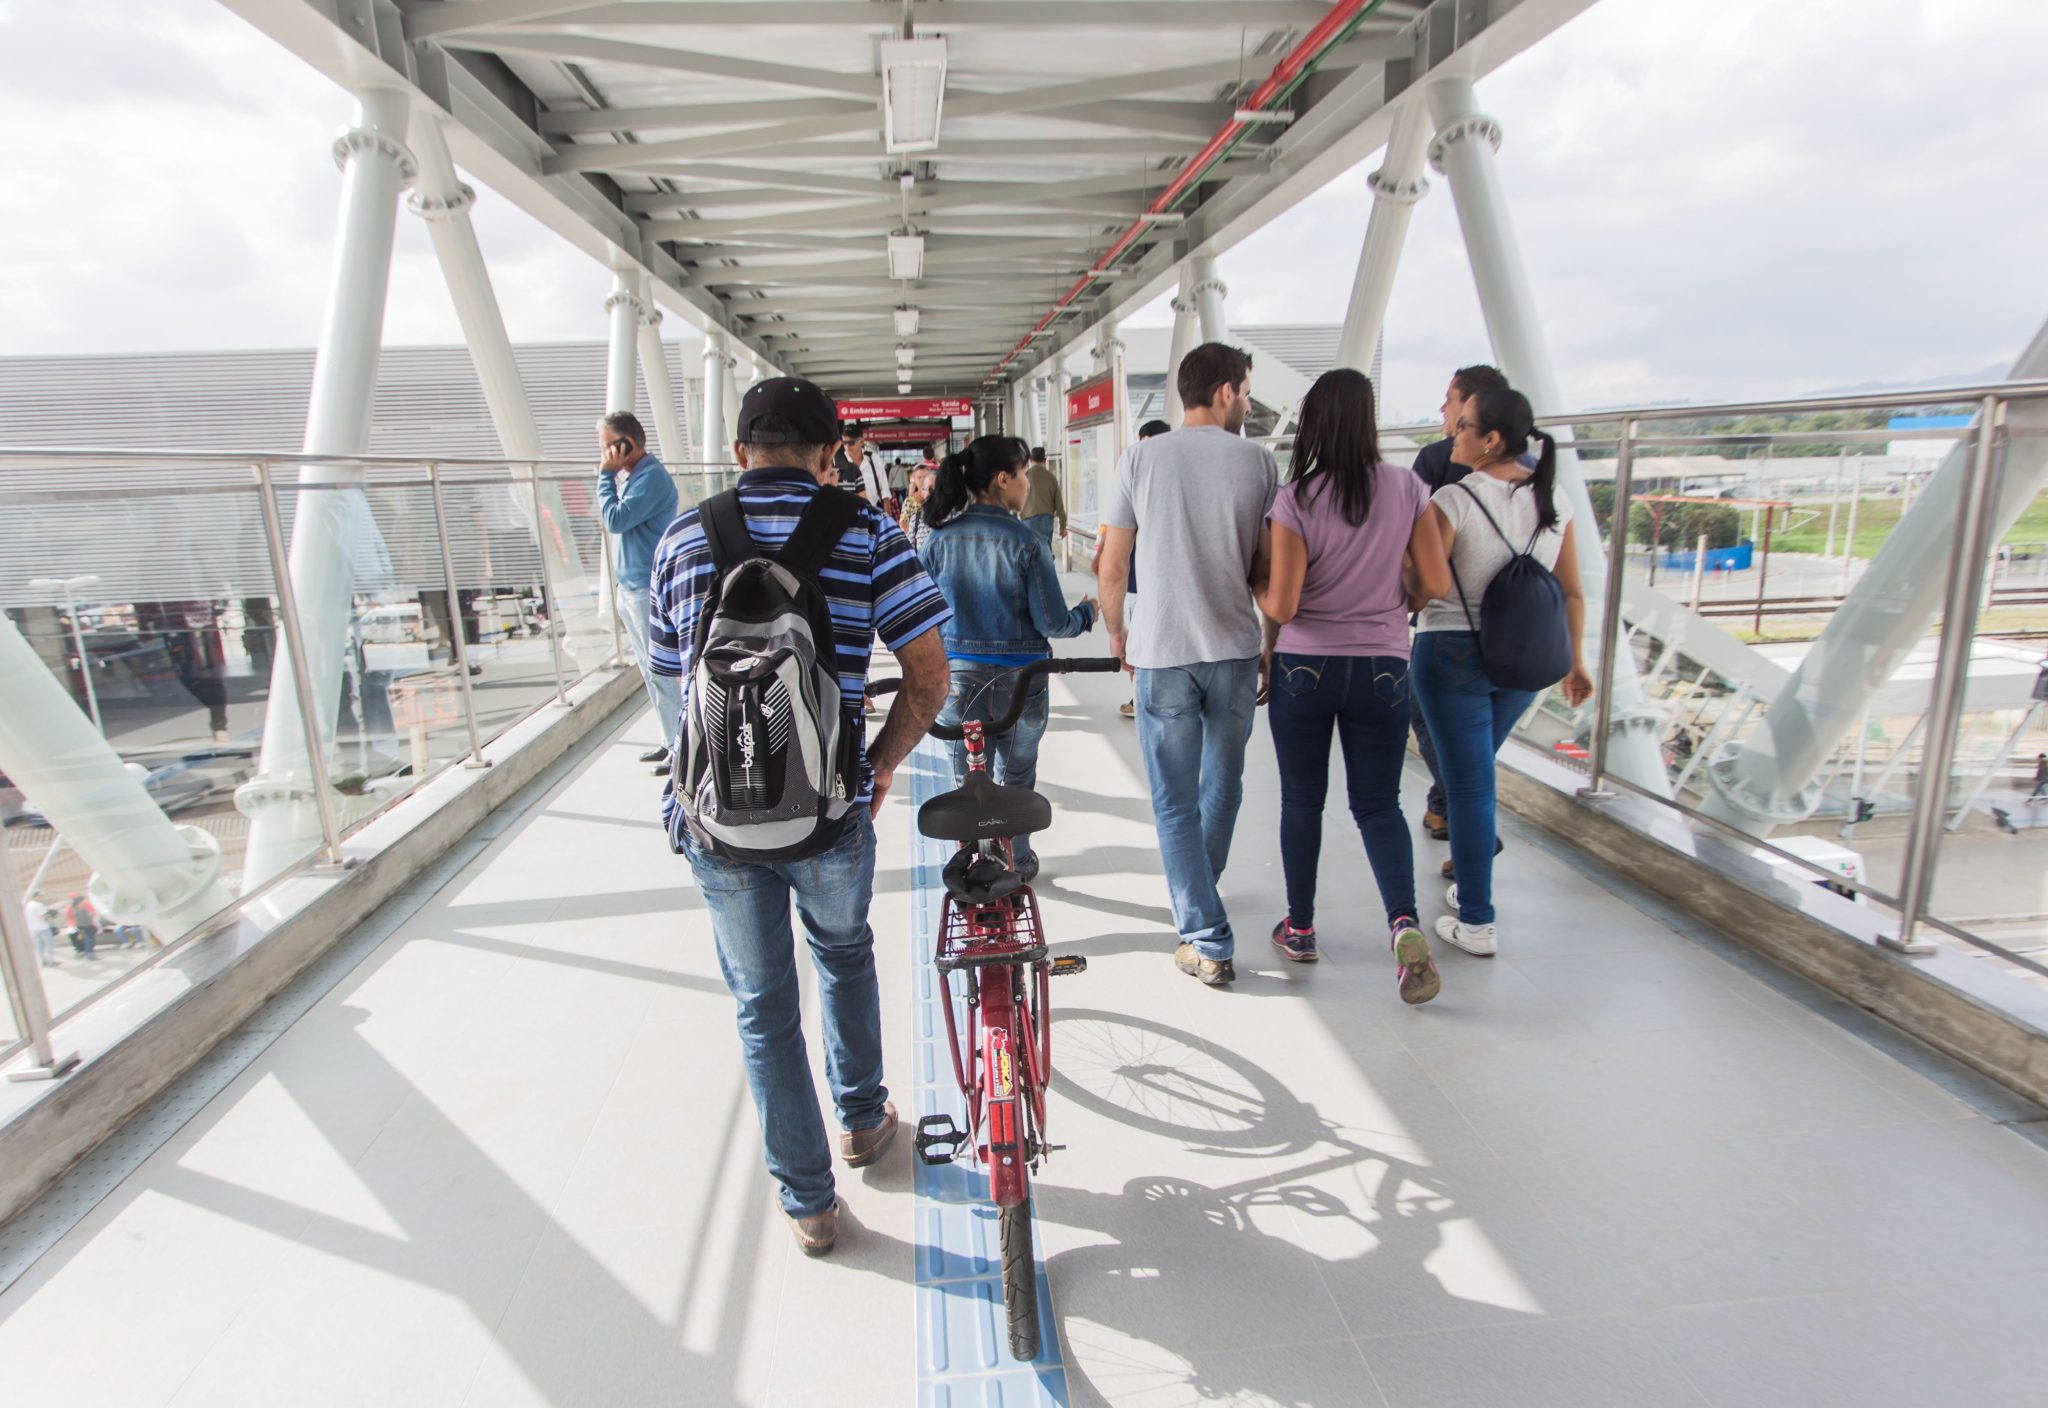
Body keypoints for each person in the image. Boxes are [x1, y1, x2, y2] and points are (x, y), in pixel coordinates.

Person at [648, 376, 952, 1257]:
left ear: (740, 453)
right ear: (831, 456)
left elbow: (673, 683)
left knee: (760, 1004)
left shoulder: (680, 539)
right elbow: (931, 677)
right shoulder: (868, 532)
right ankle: (862, 1121)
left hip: (718, 822)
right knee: (844, 951)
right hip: (830, 813)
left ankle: (810, 1205)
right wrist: (880, 766)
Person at [1255, 369, 1450, 1003]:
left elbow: (1281, 604)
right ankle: (1403, 924)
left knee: (1302, 801)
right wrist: (1400, 599)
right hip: (1385, 668)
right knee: (1378, 805)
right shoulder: (1409, 487)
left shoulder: (1297, 499)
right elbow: (1435, 583)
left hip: (1306, 668)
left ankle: (1302, 928)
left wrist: (1251, 585)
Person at [1099, 344, 1278, 987]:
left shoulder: (1141, 457)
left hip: (1163, 652)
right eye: (1248, 392)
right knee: (1222, 786)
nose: (1250, 404)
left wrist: (1118, 631)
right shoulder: (1259, 461)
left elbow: (1112, 564)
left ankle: (1203, 928)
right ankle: (1200, 899)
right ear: (1226, 391)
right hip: (1232, 646)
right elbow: (1265, 569)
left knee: (1175, 802)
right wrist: (1272, 640)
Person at [1411, 386, 1593, 957]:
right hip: (1527, 658)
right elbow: (1573, 591)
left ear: (1491, 439)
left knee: (1468, 785)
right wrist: (1578, 660)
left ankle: (1478, 921)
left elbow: (1424, 586)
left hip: (1451, 654)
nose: (1453, 434)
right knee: (1475, 779)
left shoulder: (1453, 500)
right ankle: (1469, 889)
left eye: (1462, 426)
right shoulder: (1553, 500)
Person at [920, 436, 1098, 881]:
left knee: (967, 776)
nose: (1026, 483)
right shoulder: (1027, 542)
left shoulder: (939, 540)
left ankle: (971, 861)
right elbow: (1053, 622)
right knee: (1017, 774)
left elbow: (919, 616)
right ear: (1002, 480)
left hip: (958, 677)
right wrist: (1087, 613)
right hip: (1022, 681)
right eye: (1021, 475)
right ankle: (1015, 860)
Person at [1406, 365, 1511, 840]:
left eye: (1450, 401)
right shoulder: (1538, 469)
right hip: (1518, 626)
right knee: (1474, 740)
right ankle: (1447, 803)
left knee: (1425, 713)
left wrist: (1405, 601)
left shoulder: (1434, 465)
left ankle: (1463, 808)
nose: (1444, 411)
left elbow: (1414, 552)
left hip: (1448, 625)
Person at [597, 411, 683, 776]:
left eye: (607, 447)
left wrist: (605, 478)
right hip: (629, 587)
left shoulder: (651, 479)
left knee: (662, 672)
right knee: (650, 673)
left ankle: (681, 748)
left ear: (627, 444)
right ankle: (670, 740)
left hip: (646, 589)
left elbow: (615, 519)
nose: (603, 456)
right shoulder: (632, 478)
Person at [1112, 418, 1173, 722]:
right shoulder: (1179, 477)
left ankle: (1142, 700)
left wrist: (1114, 629)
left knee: (1141, 644)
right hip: (1170, 582)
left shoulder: (1137, 475)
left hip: (1139, 581)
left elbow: (1114, 559)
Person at [1018, 446, 1068, 548]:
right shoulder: (1051, 478)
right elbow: (1059, 503)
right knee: (1045, 553)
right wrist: (1063, 525)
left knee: (1029, 554)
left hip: (1028, 520)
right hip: (1046, 520)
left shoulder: (1025, 476)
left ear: (1030, 460)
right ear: (1045, 460)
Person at [833, 423, 890, 506]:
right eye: (845, 443)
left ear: (862, 442)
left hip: (872, 512)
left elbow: (885, 493)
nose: (847, 446)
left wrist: (886, 517)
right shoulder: (839, 463)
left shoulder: (874, 460)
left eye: (851, 442)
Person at [900, 461, 938, 554]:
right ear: (914, 479)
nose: (922, 480)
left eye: (925, 477)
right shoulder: (909, 501)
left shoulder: (937, 498)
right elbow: (903, 525)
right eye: (919, 477)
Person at [25, 894, 58, 967]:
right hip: (43, 928)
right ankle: (51, 961)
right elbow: (43, 917)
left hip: (33, 929)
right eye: (40, 896)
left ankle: (43, 960)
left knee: (39, 946)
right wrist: (50, 918)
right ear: (35, 896)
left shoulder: (27, 905)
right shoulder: (38, 905)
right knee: (49, 944)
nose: (42, 897)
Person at [65, 891, 100, 959]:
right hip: (84, 926)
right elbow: (70, 917)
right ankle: (86, 953)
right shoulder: (73, 907)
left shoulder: (82, 905)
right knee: (87, 939)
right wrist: (73, 925)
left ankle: (85, 952)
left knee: (87, 939)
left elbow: (93, 913)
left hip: (84, 925)